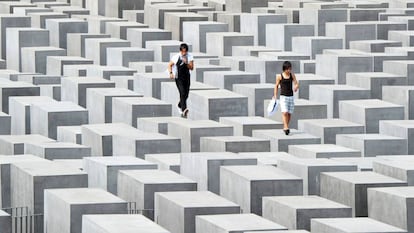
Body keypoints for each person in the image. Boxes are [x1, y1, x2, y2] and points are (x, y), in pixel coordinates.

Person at [167, 43, 194, 118]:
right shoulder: (176, 57)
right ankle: (184, 109)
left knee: (186, 94)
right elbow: (169, 65)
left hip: (187, 77)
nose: (184, 53)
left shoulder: (190, 56)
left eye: (185, 52)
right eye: (183, 52)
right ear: (180, 51)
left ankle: (179, 105)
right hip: (178, 78)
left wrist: (186, 63)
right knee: (182, 92)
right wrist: (171, 73)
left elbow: (191, 67)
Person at [273, 61, 299, 135]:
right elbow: (276, 86)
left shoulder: (292, 75)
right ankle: (286, 127)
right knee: (285, 112)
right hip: (283, 96)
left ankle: (285, 126)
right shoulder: (280, 76)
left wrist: (296, 87)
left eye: (290, 69)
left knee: (289, 113)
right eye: (287, 69)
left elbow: (296, 83)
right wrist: (275, 95)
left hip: (291, 96)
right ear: (284, 69)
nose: (289, 70)